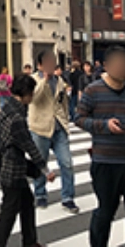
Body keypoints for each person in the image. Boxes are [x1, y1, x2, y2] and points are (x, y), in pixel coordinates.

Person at [75, 46, 125, 247]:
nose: (123, 68)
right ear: (106, 66)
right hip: (105, 163)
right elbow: (79, 118)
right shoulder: (93, 91)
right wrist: (104, 125)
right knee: (105, 213)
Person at [0, 75, 57, 247]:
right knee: (8, 213)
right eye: (31, 92)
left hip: (7, 165)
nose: (33, 96)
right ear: (25, 93)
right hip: (12, 170)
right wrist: (46, 170)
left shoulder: (8, 107)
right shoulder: (17, 118)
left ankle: (30, 241)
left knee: (26, 203)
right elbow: (29, 146)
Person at [28, 51, 79, 213]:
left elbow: (62, 102)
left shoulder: (59, 80)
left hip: (59, 127)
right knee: (40, 162)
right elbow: (34, 98)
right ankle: (40, 194)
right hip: (40, 127)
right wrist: (45, 79)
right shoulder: (33, 80)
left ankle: (68, 197)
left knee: (66, 163)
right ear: (39, 65)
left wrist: (66, 120)